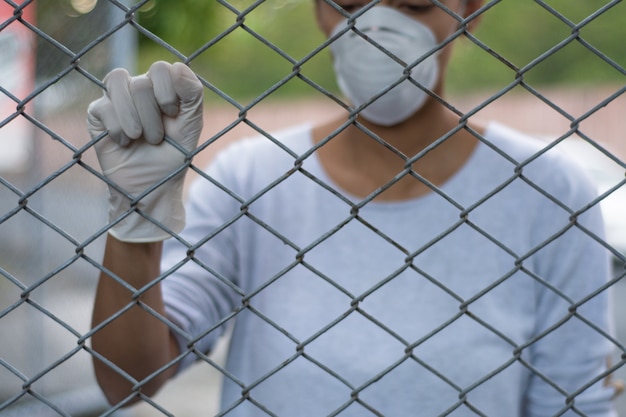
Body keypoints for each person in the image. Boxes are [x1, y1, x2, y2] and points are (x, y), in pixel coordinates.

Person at [87, 0, 622, 415]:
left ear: (470, 10)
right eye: (351, 2)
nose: (381, 26)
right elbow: (126, 378)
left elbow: (573, 402)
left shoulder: (550, 194)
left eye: (414, 4)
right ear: (321, 10)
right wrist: (138, 217)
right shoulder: (251, 179)